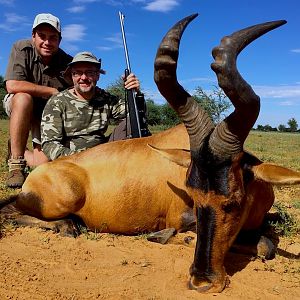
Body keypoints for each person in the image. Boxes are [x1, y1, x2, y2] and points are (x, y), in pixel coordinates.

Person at [3, 13, 72, 188]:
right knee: (23, 98)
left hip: (46, 113)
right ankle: (16, 166)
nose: (47, 42)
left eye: (53, 38)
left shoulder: (67, 61)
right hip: (20, 104)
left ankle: (16, 148)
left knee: (41, 165)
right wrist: (51, 91)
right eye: (42, 36)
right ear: (33, 36)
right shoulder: (21, 48)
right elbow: (11, 85)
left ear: (59, 40)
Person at [41, 51, 143, 160]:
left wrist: (136, 93)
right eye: (78, 73)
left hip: (103, 154)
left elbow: (137, 115)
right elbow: (49, 144)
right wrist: (81, 159)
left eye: (89, 72)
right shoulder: (57, 102)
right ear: (72, 76)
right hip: (73, 161)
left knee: (133, 122)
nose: (84, 77)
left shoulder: (106, 98)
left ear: (97, 75)